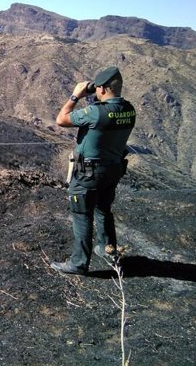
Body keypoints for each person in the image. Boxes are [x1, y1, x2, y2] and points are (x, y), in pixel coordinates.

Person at [51, 66, 136, 275]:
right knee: (103, 209)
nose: (95, 91)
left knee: (82, 214)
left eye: (97, 89)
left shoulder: (96, 112)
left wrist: (75, 95)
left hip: (89, 173)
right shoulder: (129, 109)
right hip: (113, 169)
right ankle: (108, 249)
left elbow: (61, 119)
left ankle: (78, 263)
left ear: (104, 89)